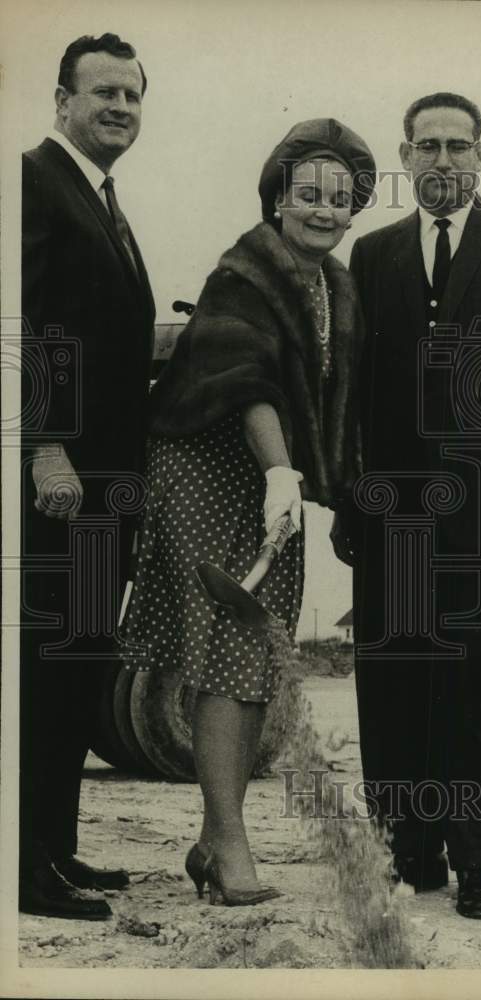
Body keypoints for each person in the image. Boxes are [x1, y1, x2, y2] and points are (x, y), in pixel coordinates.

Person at [121, 118, 375, 906]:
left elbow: (335, 400)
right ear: (277, 198)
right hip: (208, 463)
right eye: (308, 195)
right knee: (227, 651)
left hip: (276, 476)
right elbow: (246, 377)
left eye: (341, 198)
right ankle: (230, 844)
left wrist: (316, 484)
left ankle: (210, 839)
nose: (324, 211)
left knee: (252, 653)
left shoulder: (337, 286)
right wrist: (278, 473)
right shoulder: (244, 271)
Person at [334, 92, 481, 919]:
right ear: (406, 155)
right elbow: (355, 391)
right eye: (427, 146)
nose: (442, 160)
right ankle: (409, 849)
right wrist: (349, 500)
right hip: (391, 505)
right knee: (394, 670)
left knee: (473, 673)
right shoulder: (373, 251)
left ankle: (474, 861)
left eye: (457, 146)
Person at [20, 33, 155, 920]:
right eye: (102, 91)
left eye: (132, 96)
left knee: (78, 661)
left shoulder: (102, 198)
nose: (118, 107)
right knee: (46, 663)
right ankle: (24, 866)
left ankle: (55, 850)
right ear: (61, 99)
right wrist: (44, 442)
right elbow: (21, 317)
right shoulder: (33, 180)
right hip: (60, 482)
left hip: (106, 486)